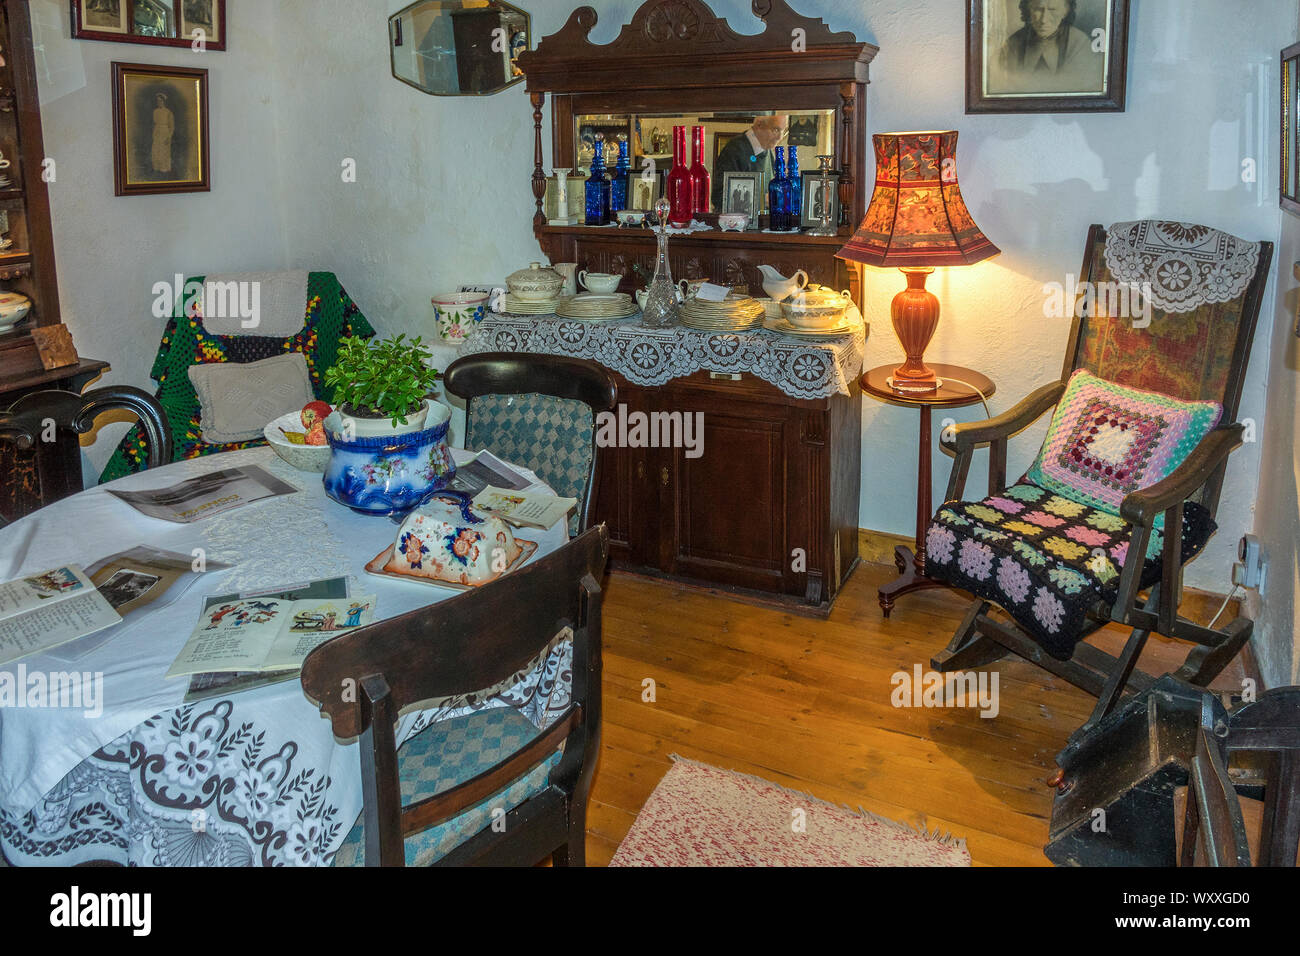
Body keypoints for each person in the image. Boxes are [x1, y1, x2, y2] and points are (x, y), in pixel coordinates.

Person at [994, 0, 1104, 94]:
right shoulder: (1012, 44)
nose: (1044, 19)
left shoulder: (1080, 43)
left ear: (1065, 11)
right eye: (1038, 9)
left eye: (1053, 9)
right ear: (1028, 9)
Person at [711, 115, 788, 211]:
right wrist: (762, 200)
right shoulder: (734, 150)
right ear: (759, 125)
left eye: (783, 131)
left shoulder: (768, 151)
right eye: (775, 130)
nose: (780, 137)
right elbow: (720, 198)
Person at [151, 92, 174, 175]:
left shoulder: (168, 112)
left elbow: (171, 126)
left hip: (165, 132)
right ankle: (156, 168)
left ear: (164, 102)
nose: (159, 103)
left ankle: (164, 169)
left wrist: (169, 137)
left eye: (161, 101)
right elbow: (154, 123)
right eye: (158, 101)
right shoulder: (155, 111)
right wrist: (154, 134)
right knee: (156, 150)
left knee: (164, 151)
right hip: (157, 132)